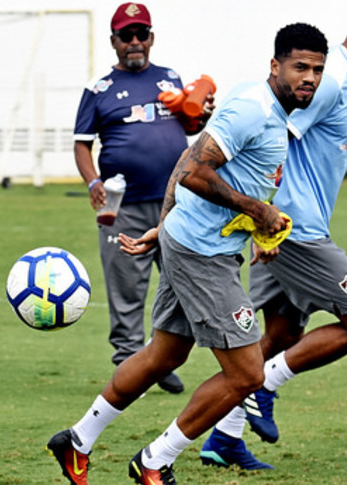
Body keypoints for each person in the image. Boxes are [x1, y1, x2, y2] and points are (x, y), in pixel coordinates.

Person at [47, 23, 329, 485]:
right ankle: (154, 461)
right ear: (275, 66)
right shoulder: (252, 109)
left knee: (164, 354)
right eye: (300, 67)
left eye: (317, 70)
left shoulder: (267, 110)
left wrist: (165, 225)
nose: (310, 78)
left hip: (192, 241)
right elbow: (196, 172)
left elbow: (185, 159)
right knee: (248, 375)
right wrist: (257, 210)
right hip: (202, 254)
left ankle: (76, 440)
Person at [199, 0, 347, 470]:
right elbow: (273, 134)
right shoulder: (330, 79)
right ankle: (265, 387)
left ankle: (223, 438)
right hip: (293, 229)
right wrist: (261, 218)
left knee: (281, 334)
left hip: (289, 226)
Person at [73, 2, 213, 395]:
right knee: (126, 286)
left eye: (141, 34)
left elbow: (189, 125)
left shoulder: (170, 78)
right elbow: (81, 144)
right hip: (122, 203)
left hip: (175, 201)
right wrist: (92, 181)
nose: (134, 41)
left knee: (178, 280)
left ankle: (160, 358)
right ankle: (128, 361)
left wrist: (201, 114)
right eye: (126, 35)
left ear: (151, 38)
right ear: (114, 41)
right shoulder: (98, 89)